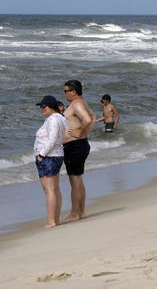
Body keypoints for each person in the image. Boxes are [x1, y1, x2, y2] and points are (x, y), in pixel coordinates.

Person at [62, 79, 96, 222]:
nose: (64, 94)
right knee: (78, 178)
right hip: (80, 144)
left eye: (66, 91)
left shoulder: (76, 104)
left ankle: (75, 213)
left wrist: (81, 133)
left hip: (75, 145)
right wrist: (84, 133)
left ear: (73, 91)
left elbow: (88, 119)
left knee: (75, 179)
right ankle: (81, 212)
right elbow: (93, 117)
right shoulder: (82, 102)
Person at [34, 95, 66, 228]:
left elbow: (52, 140)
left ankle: (52, 221)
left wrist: (41, 154)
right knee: (54, 189)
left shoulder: (53, 119)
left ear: (50, 106)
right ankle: (55, 220)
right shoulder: (60, 118)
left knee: (49, 190)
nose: (42, 109)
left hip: (49, 157)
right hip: (54, 155)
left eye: (43, 106)